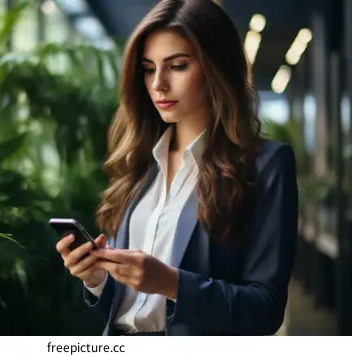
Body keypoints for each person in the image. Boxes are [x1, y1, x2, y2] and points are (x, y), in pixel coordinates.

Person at [55, 0, 298, 336]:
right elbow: (130, 308)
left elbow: (265, 309)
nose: (158, 85)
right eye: (149, 68)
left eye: (178, 66)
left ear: (217, 67)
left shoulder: (266, 165)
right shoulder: (139, 162)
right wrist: (96, 278)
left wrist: (172, 283)